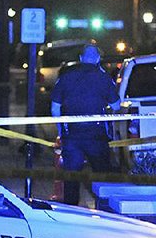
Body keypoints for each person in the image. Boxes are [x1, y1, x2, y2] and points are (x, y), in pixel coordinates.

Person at [50, 44, 121, 206]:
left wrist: (62, 130)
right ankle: (103, 209)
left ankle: (71, 211)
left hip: (72, 135)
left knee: (71, 178)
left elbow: (55, 108)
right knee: (102, 176)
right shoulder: (103, 78)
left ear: (80, 59)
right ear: (97, 59)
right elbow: (116, 105)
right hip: (97, 135)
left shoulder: (66, 77)